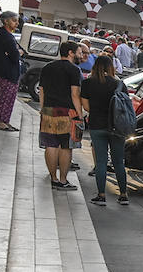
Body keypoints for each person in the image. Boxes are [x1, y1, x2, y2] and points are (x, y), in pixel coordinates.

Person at [80, 54, 128, 205]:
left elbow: (86, 107)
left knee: (101, 162)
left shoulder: (88, 83)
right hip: (116, 126)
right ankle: (123, 195)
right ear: (111, 67)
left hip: (96, 125)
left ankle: (101, 195)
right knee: (118, 162)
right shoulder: (119, 84)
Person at [39, 40, 85, 191]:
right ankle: (63, 180)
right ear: (70, 53)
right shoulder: (74, 70)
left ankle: (53, 178)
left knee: (51, 145)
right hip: (67, 112)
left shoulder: (47, 67)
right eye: (79, 53)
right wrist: (80, 113)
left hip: (48, 110)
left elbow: (42, 90)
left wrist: (42, 108)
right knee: (66, 147)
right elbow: (74, 94)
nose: (81, 55)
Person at [0, 11, 21, 132]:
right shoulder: (5, 35)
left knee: (10, 97)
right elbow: (14, 55)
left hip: (9, 71)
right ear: (6, 21)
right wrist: (18, 53)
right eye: (14, 20)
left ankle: (5, 120)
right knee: (6, 97)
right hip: (6, 72)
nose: (17, 23)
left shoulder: (6, 34)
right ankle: (1, 121)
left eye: (17, 20)